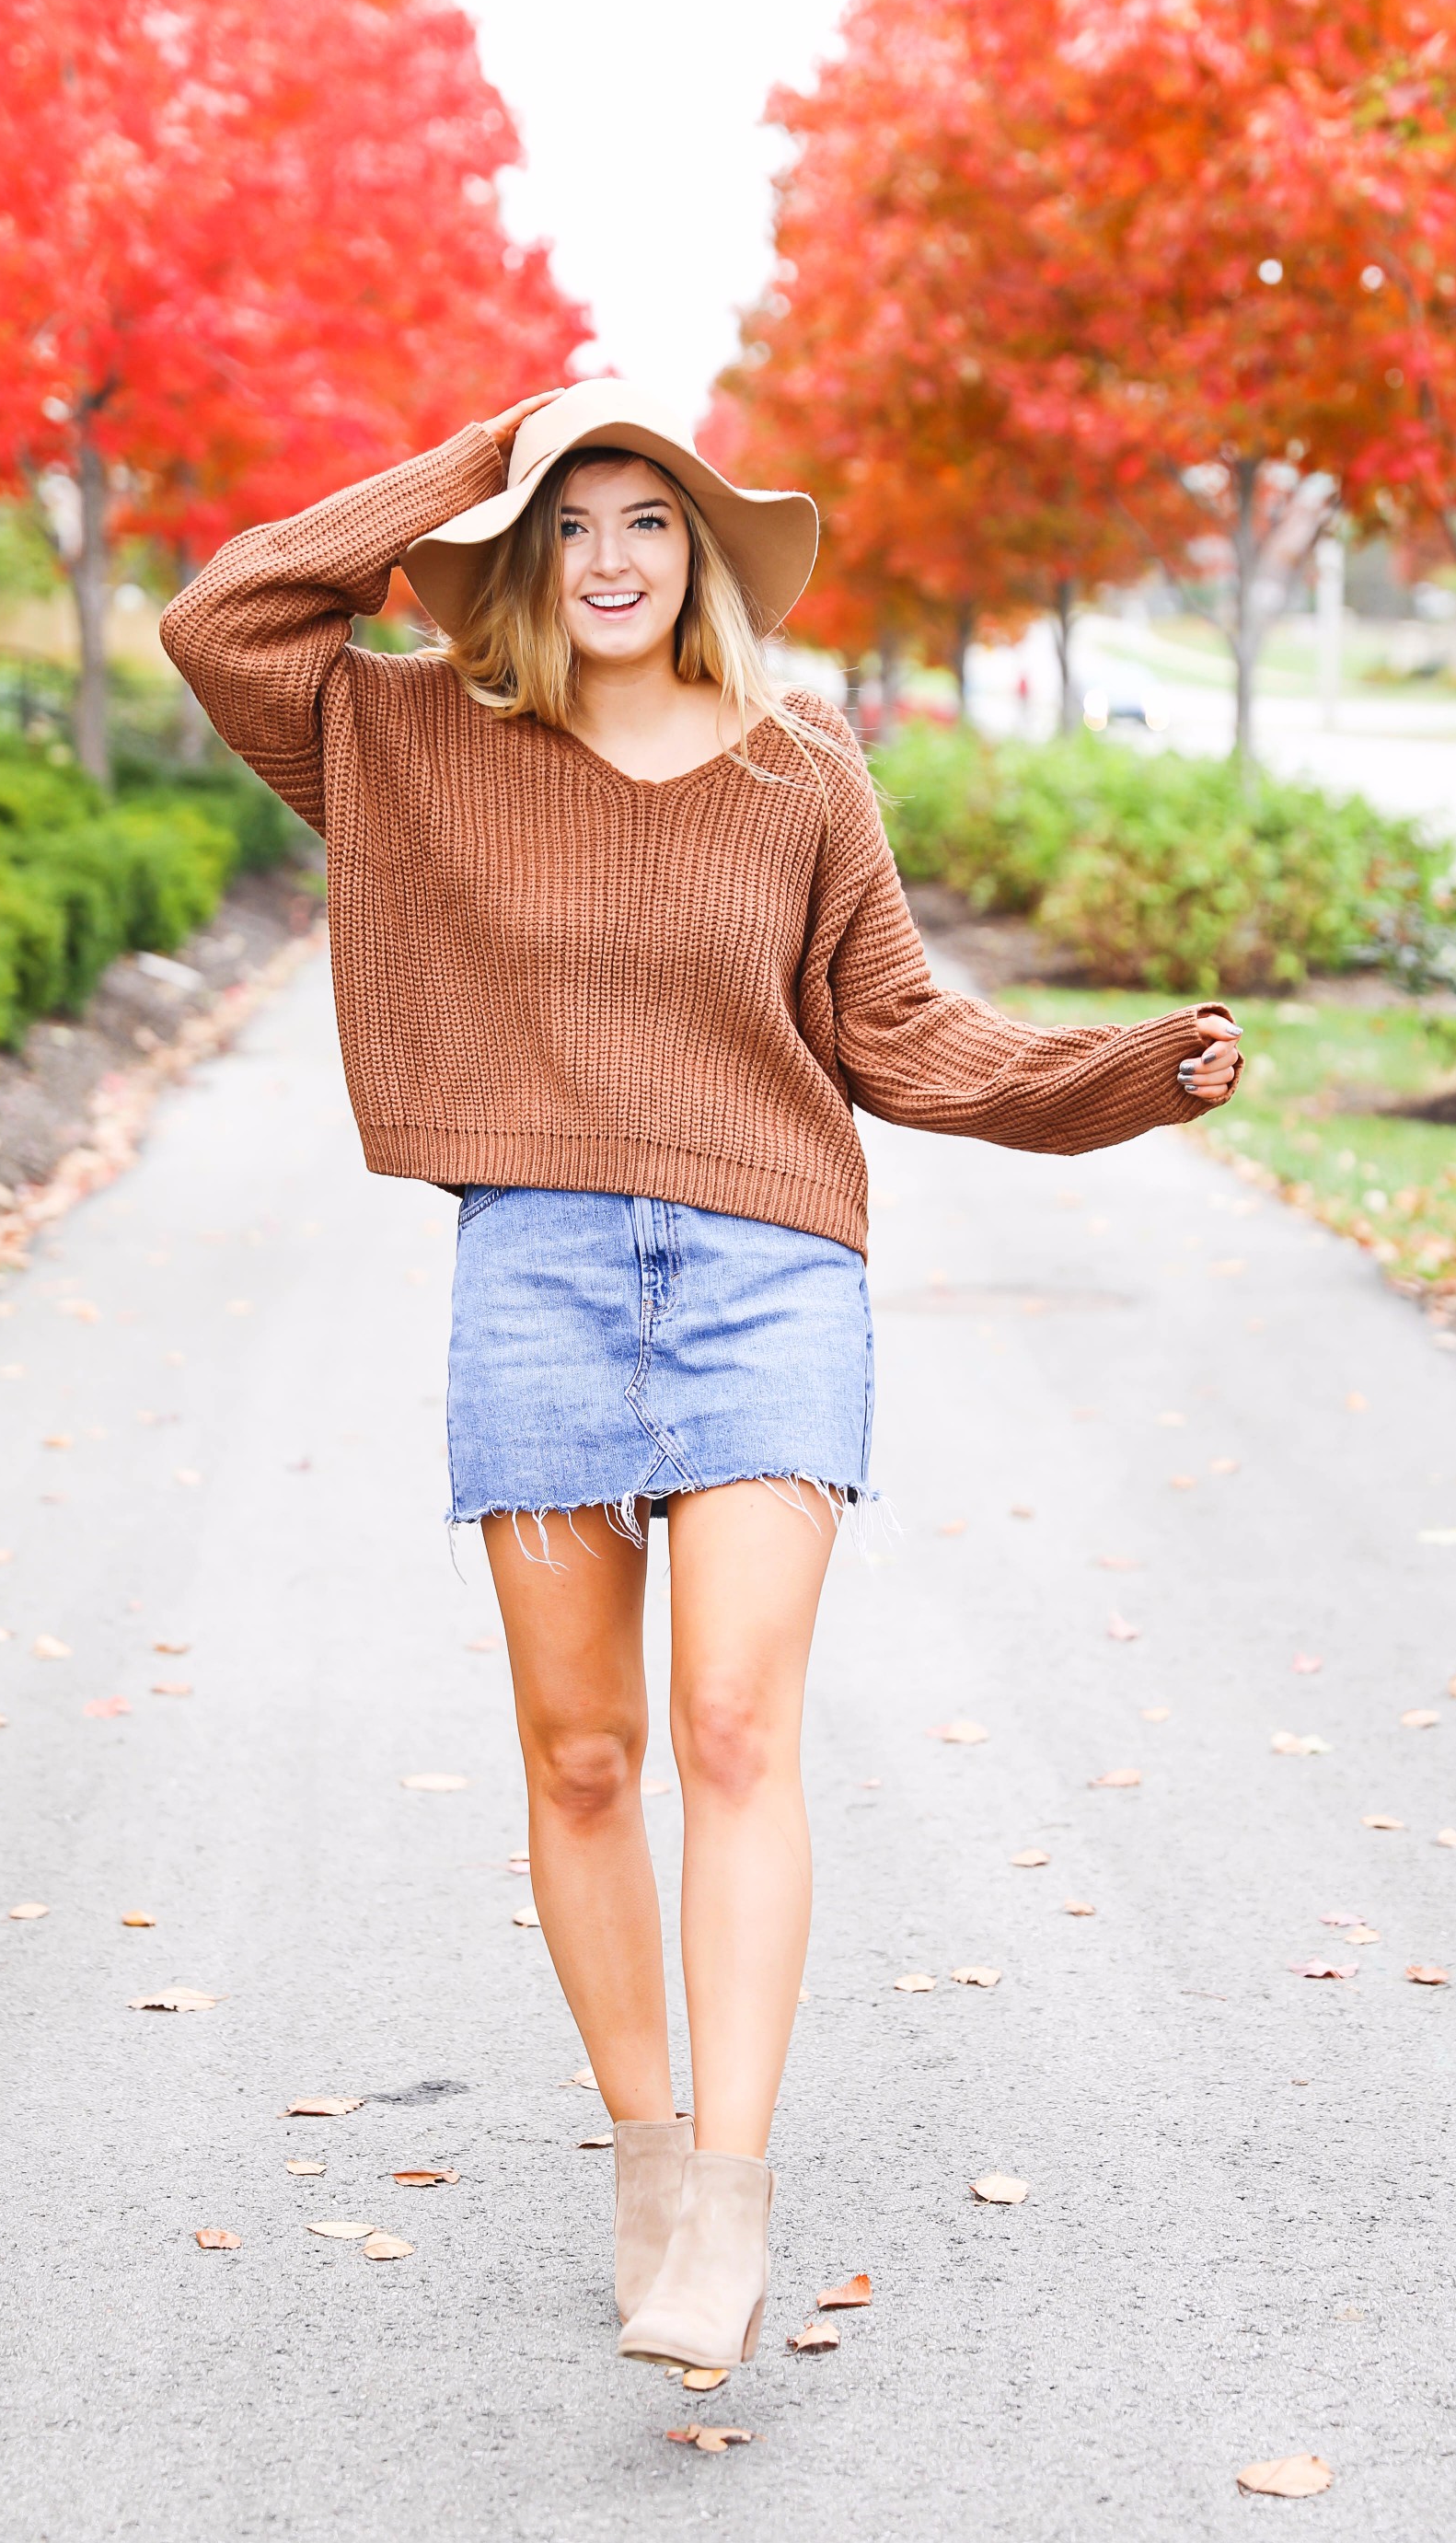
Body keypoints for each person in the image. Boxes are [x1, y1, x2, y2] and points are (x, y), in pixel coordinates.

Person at [161, 382, 1243, 2373]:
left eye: (644, 519)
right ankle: (646, 2159)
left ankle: (730, 2204)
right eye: (565, 522)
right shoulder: (415, 741)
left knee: (733, 1722)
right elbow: (229, 616)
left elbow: (901, 1032)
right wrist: (492, 451)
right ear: (516, 547)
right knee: (583, 1757)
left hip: (767, 1274)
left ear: (703, 555)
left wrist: (1111, 1079)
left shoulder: (797, 766)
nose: (604, 558)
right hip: (539, 1276)